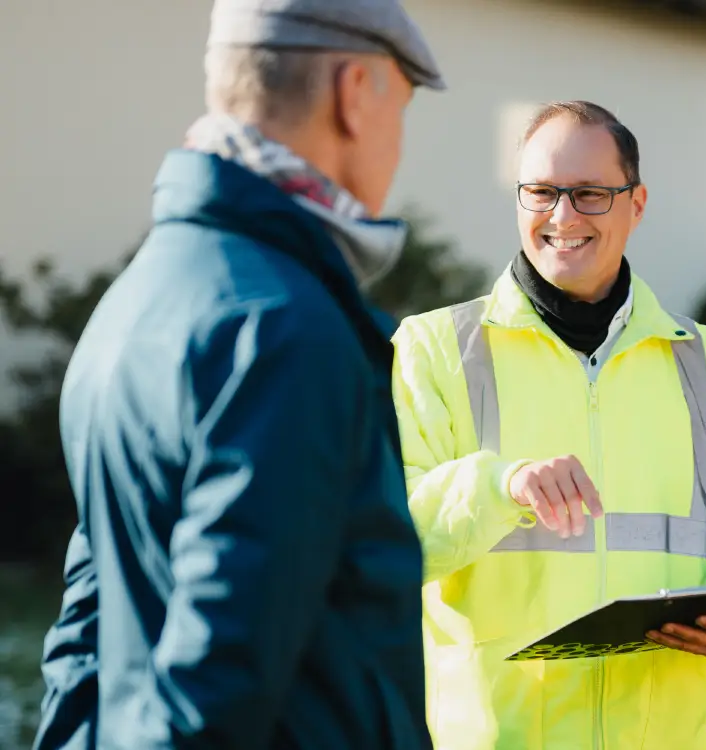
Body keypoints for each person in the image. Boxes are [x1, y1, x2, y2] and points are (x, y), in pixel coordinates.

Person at [33, 2, 444, 748]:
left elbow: (88, 628)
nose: (400, 146)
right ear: (355, 93)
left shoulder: (136, 298)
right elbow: (217, 683)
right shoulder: (282, 329)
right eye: (403, 109)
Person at [390, 100, 706, 750]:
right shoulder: (431, 351)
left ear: (636, 204)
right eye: (540, 192)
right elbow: (380, 537)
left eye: (589, 194)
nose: (561, 217)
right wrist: (497, 487)